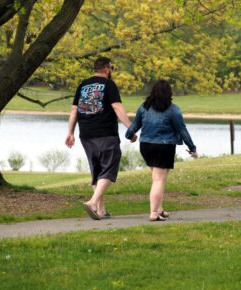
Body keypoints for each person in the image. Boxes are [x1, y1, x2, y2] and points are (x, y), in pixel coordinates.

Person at [65, 56, 136, 220]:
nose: (112, 71)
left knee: (97, 170)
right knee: (109, 167)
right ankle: (92, 202)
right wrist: (131, 129)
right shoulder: (109, 85)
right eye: (111, 68)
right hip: (105, 133)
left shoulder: (83, 85)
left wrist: (70, 132)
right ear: (106, 68)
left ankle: (101, 210)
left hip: (86, 134)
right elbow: (117, 107)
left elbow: (74, 110)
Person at [125, 80, 198, 221]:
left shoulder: (144, 107)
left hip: (146, 146)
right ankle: (153, 213)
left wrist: (129, 135)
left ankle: (159, 209)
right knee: (159, 180)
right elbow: (182, 130)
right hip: (164, 147)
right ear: (169, 93)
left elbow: (134, 125)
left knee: (158, 178)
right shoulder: (173, 109)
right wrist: (192, 148)